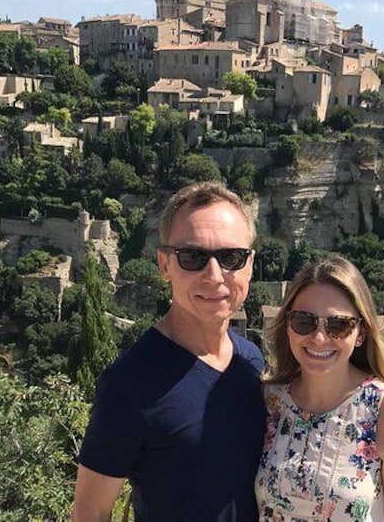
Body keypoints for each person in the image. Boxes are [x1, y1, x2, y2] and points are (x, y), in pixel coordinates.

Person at [71, 182, 266, 521]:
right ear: (165, 266)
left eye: (231, 257)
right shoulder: (129, 384)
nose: (215, 275)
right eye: (193, 257)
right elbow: (91, 513)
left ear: (249, 265)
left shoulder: (250, 361)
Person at [256, 255, 384, 521]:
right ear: (288, 325)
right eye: (305, 321)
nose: (319, 338)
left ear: (360, 333)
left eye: (338, 325)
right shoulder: (269, 402)